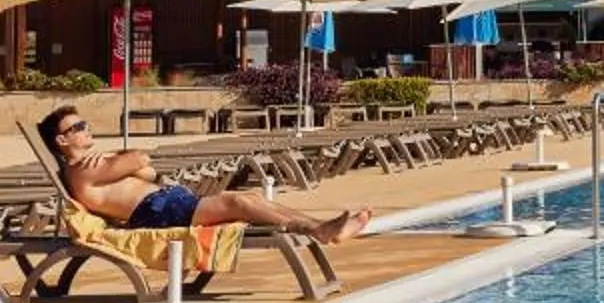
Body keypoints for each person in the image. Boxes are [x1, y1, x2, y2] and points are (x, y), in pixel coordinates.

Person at [41, 106, 372, 242]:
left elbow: (148, 170)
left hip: (166, 200)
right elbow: (141, 159)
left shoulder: (98, 163)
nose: (86, 129)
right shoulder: (82, 169)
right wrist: (124, 160)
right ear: (62, 140)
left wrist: (125, 162)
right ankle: (318, 230)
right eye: (78, 127)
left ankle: (320, 227)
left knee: (250, 198)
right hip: (157, 212)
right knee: (239, 203)